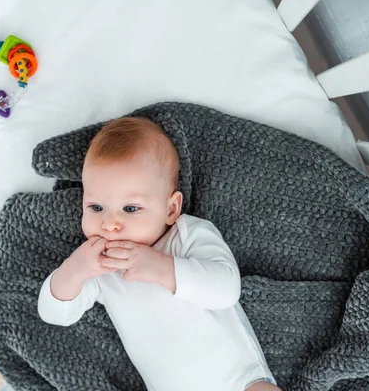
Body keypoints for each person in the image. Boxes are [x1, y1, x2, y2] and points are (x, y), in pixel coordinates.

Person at [38, 117, 280, 391]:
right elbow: (54, 314)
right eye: (95, 207)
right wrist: (75, 270)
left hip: (238, 380)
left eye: (130, 209)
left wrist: (162, 268)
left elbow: (226, 289)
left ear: (170, 209)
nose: (109, 224)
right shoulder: (102, 269)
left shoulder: (187, 235)